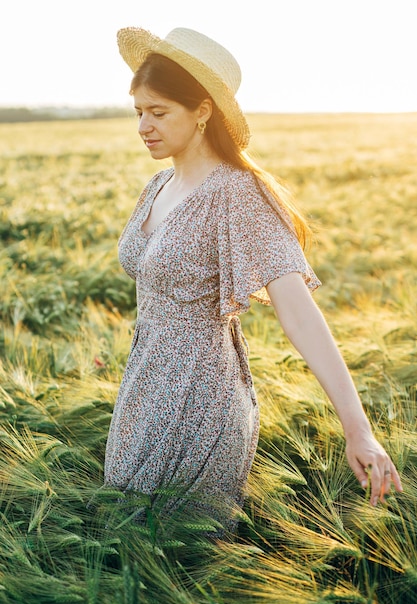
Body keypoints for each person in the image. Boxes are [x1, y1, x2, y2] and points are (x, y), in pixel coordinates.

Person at [104, 26, 402, 531]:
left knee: (185, 561)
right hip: (139, 393)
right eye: (138, 112)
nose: (143, 126)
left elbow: (300, 315)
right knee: (127, 550)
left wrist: (359, 429)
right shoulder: (157, 185)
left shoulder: (237, 195)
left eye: (158, 112)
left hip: (200, 401)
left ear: (202, 112)